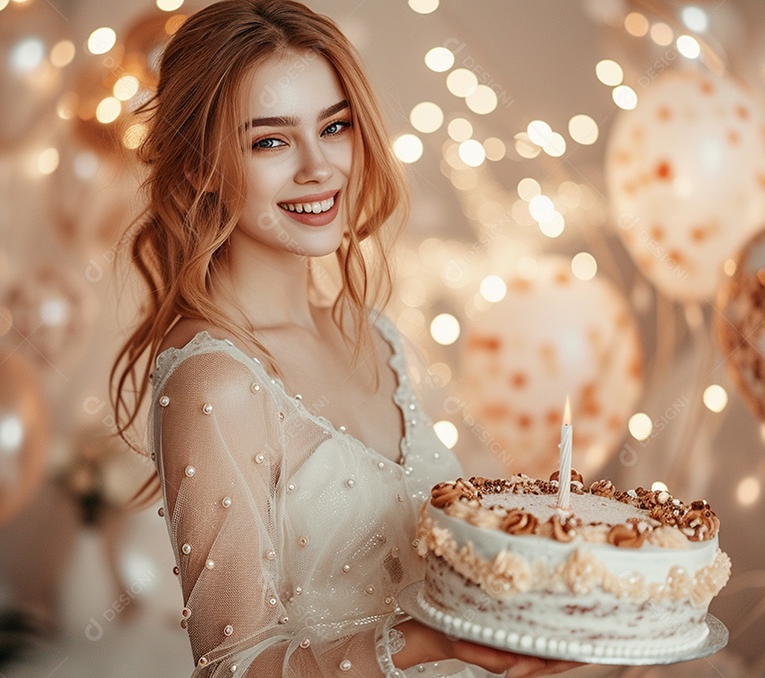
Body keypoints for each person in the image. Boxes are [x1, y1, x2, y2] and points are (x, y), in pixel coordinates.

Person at [110, 1, 580, 676]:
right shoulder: (215, 382)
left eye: (334, 127)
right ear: (197, 169)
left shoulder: (375, 336)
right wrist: (431, 643)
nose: (318, 167)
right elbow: (231, 666)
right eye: (269, 141)